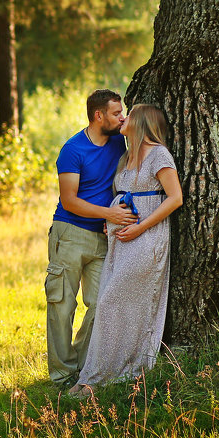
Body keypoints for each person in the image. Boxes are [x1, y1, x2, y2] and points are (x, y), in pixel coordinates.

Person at [69, 104, 183, 397]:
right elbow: (122, 196)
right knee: (114, 304)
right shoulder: (126, 157)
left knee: (109, 302)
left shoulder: (159, 154)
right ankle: (99, 375)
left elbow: (174, 198)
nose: (123, 118)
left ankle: (101, 377)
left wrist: (141, 227)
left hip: (146, 239)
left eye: (128, 115)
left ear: (142, 123)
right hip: (120, 240)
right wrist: (110, 219)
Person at [45, 89, 136, 389]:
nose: (121, 117)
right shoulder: (73, 149)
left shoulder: (118, 142)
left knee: (101, 305)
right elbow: (69, 200)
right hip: (69, 234)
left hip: (101, 238)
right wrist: (109, 215)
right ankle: (62, 375)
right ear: (99, 116)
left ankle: (83, 367)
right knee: (62, 305)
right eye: (115, 113)